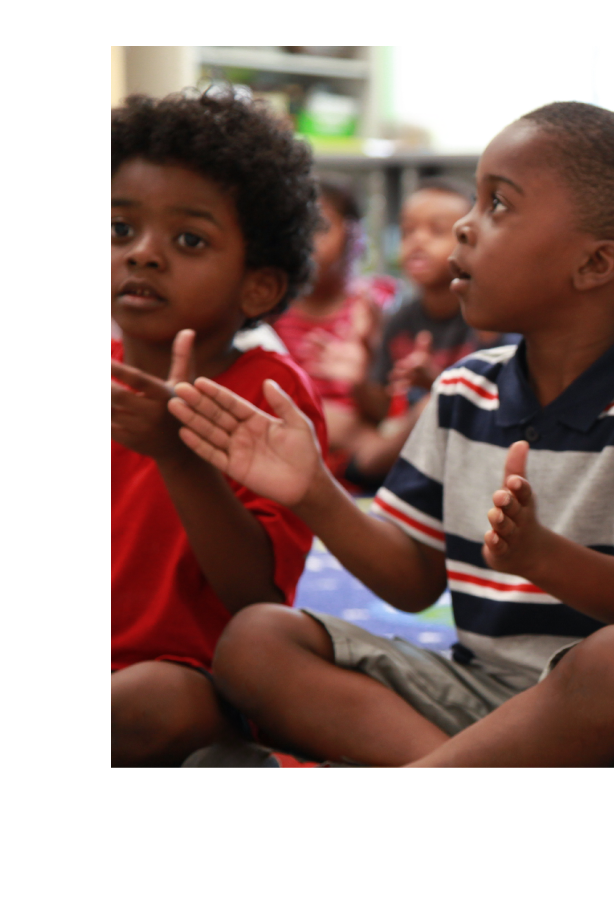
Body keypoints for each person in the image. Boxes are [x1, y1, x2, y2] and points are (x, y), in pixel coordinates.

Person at [171, 101, 614, 768]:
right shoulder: (464, 387)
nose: (465, 228)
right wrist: (315, 491)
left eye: (498, 204)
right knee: (256, 641)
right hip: (479, 698)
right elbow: (413, 580)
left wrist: (540, 556)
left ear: (594, 265)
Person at [111, 89, 327, 766]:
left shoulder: (268, 394)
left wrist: (178, 457)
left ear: (258, 287)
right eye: (120, 229)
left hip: (208, 682)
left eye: (189, 240)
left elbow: (257, 597)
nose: (142, 255)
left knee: (151, 701)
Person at [338, 179, 482, 490]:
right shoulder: (400, 318)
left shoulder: (482, 316)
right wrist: (363, 362)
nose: (417, 241)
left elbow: (482, 403)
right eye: (407, 231)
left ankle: (365, 466)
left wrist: (434, 382)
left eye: (437, 231)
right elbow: (381, 410)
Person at [271, 178, 396, 489]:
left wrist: (360, 383)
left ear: (354, 235)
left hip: (355, 476)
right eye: (298, 229)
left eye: (321, 227)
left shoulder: (372, 307)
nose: (308, 241)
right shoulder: (271, 309)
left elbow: (385, 415)